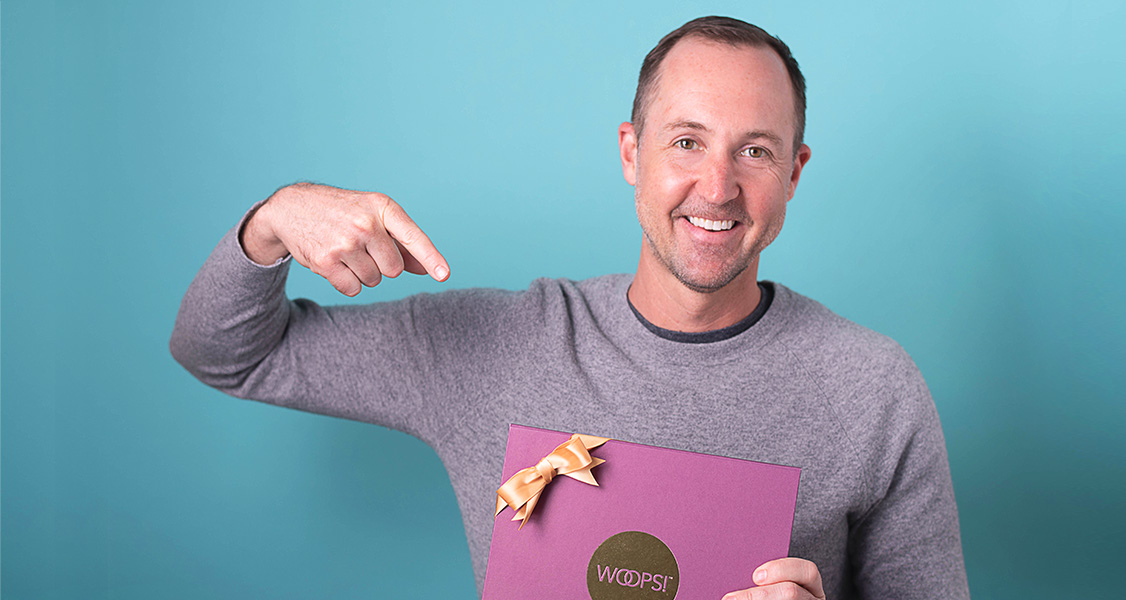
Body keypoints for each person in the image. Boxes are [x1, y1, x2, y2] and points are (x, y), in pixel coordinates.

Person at [171, 16, 970, 600]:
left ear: (794, 173)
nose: (718, 187)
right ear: (632, 151)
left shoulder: (872, 387)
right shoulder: (496, 346)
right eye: (686, 142)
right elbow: (226, 353)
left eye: (754, 151)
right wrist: (270, 222)